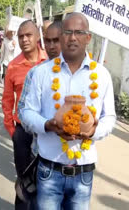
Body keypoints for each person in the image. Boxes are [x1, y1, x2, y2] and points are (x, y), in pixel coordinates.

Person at [21, 13, 116, 210]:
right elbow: (27, 113)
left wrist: (93, 131)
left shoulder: (102, 75)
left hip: (83, 173)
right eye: (67, 32)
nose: (73, 37)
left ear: (88, 37)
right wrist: (48, 125)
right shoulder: (42, 73)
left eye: (79, 32)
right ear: (61, 36)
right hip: (49, 170)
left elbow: (109, 117)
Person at [1, 20, 47, 210]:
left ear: (37, 37)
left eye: (28, 35)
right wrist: (13, 130)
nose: (24, 39)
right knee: (24, 178)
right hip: (22, 131)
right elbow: (7, 101)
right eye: (21, 36)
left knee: (45, 179)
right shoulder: (13, 66)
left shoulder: (52, 62)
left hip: (47, 131)